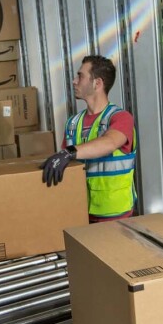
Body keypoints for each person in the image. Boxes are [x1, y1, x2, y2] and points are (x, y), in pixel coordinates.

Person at [42, 55, 137, 222]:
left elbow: (110, 142)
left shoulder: (121, 118)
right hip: (80, 214)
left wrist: (69, 152)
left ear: (97, 83)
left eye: (80, 76)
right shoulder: (73, 123)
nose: (74, 81)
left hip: (114, 216)